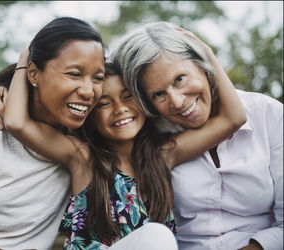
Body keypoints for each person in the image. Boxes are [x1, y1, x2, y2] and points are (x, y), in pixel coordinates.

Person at [0, 25, 246, 249]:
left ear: (144, 104)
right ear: (90, 114)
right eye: (104, 103)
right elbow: (15, 122)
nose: (120, 110)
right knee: (157, 238)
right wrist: (27, 58)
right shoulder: (82, 157)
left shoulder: (163, 154)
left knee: (156, 238)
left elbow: (234, 118)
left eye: (127, 97)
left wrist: (204, 52)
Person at [0, 17, 106, 250]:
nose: (88, 91)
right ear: (33, 73)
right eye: (74, 74)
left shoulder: (84, 143)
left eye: (98, 78)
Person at [110, 21, 283, 250]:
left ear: (203, 65)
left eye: (180, 79)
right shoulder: (154, 139)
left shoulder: (267, 114)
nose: (177, 101)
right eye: (158, 94)